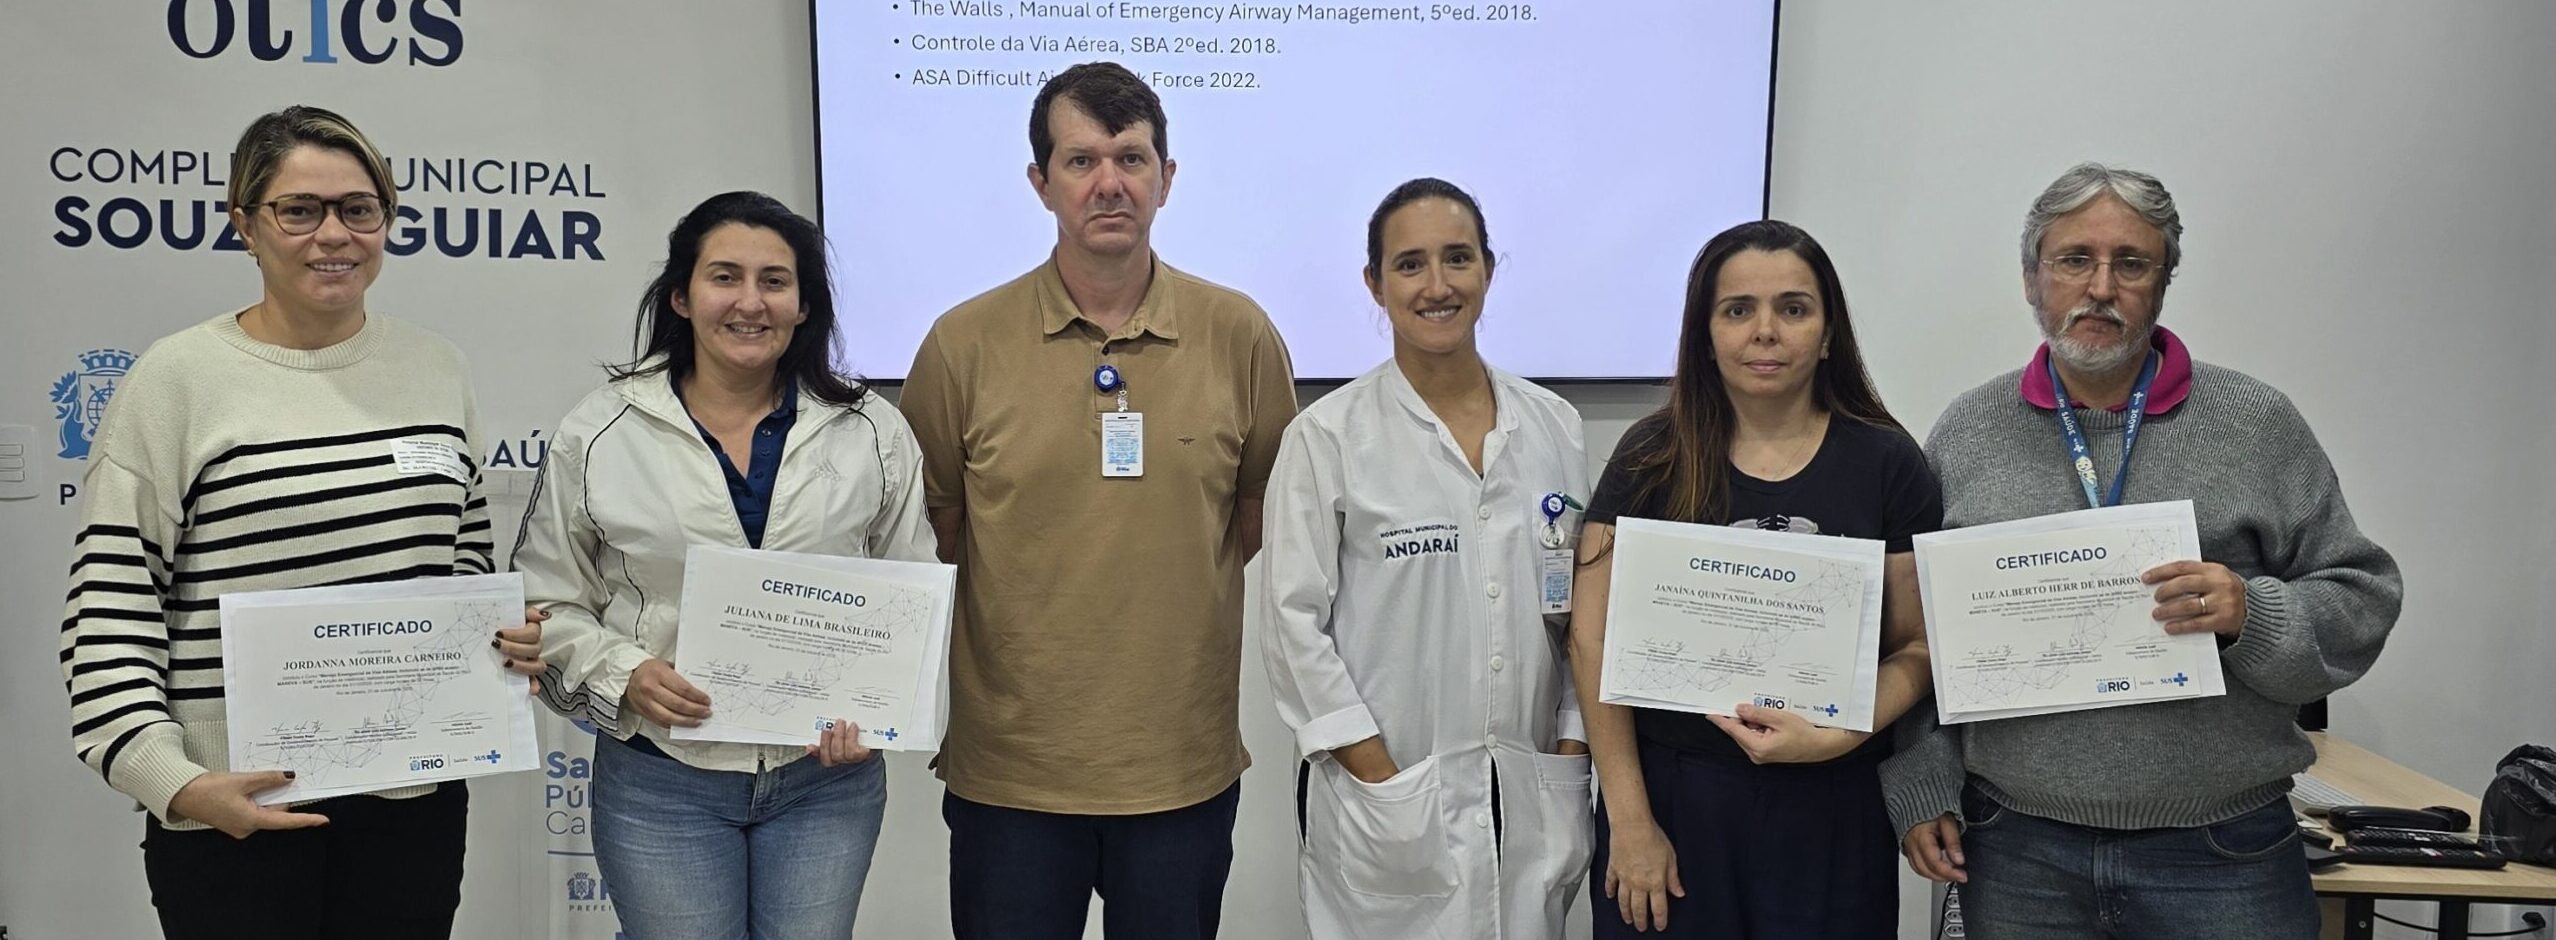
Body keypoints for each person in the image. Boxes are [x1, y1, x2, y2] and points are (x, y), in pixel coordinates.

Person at [55, 105, 545, 939]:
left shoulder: (436, 367)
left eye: (360, 209)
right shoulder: (175, 380)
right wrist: (171, 781)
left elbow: (463, 560)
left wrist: (497, 641)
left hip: (410, 801)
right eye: (299, 210)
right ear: (244, 223)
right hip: (232, 806)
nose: (335, 235)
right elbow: (110, 608)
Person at [1886, 162, 2402, 939]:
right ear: (2032, 280)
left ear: (2163, 283)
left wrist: (2247, 614)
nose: (2101, 287)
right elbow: (1921, 632)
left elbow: (2363, 595)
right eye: (2074, 261)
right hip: (2018, 846)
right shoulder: (1968, 431)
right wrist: (1922, 781)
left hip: (2222, 851)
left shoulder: (2255, 423)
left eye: (2131, 263)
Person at [897, 61, 1298, 939]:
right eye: (1080, 162)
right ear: (1041, 183)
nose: (1109, 183)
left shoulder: (1241, 334)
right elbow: (939, 526)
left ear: (1167, 178)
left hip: (1179, 770)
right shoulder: (961, 345)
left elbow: (1261, 513)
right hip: (1012, 774)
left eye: (1131, 158)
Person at [511, 191, 935, 939]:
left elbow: (916, 596)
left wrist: (878, 713)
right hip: (660, 777)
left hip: (824, 780)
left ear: (805, 305)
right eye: (724, 277)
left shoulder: (871, 430)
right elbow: (544, 606)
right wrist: (625, 674)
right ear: (681, 296)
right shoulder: (603, 430)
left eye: (775, 281)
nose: (750, 302)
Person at [1570, 220, 1942, 938]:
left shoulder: (1888, 463)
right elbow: (1592, 642)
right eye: (1737, 309)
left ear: (1829, 333)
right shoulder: (1649, 457)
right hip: (1673, 802)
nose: (1764, 331)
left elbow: (1921, 648)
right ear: (1704, 332)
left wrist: (1837, 737)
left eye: (1793, 309)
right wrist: (1631, 820)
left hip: (1832, 805)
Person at [1260, 178, 1593, 938]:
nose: (1437, 286)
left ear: (1488, 271)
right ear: (1374, 283)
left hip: (1531, 789)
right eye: (1409, 265)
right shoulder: (1329, 436)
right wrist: (1382, 775)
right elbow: (1292, 625)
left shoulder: (1555, 426)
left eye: (1458, 259)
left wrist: (1571, 746)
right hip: (1389, 795)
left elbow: (1581, 607)